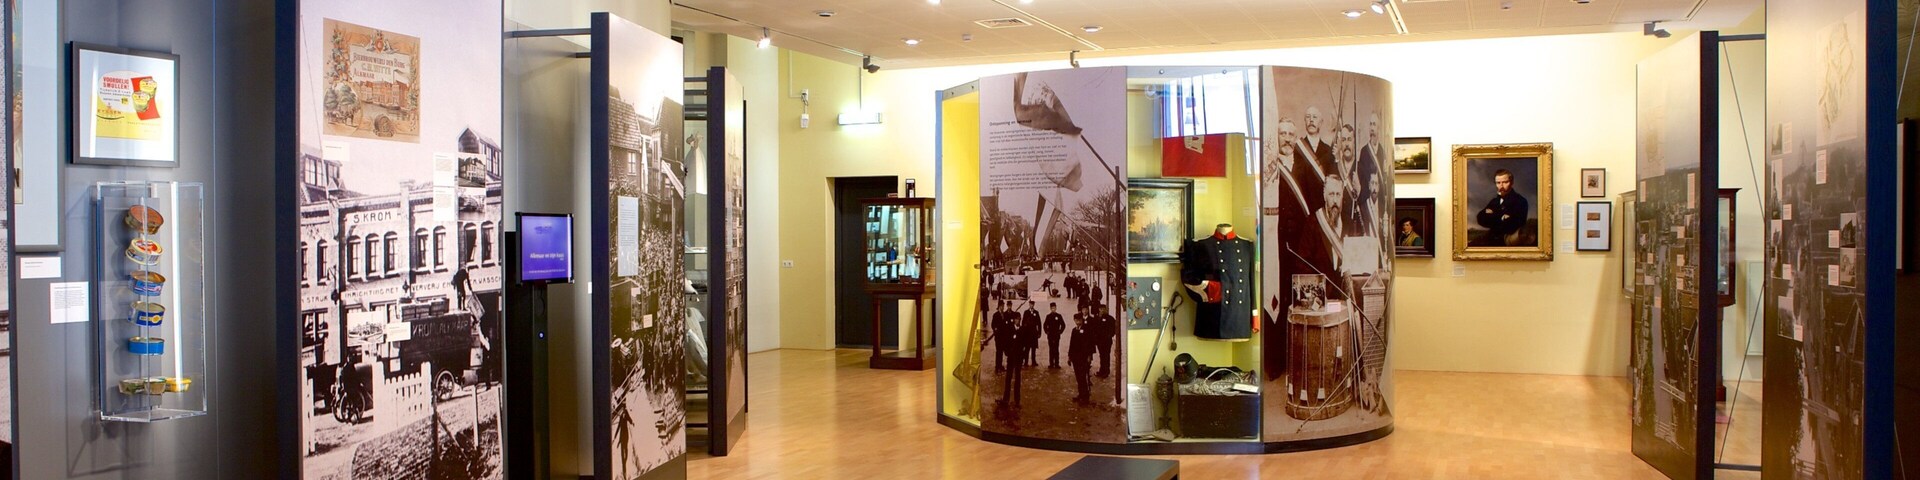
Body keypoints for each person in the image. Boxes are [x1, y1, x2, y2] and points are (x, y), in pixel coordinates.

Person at [1474, 169, 1532, 246]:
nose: (1501, 185)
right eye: (1498, 183)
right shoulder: (1494, 201)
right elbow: (1480, 218)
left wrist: (1492, 215)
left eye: (1505, 182)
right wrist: (1501, 217)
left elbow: (1512, 225)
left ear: (1512, 183)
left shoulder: (1521, 201)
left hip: (1509, 241)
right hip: (1490, 238)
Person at [1068, 323, 1094, 404]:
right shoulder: (1074, 330)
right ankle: (1081, 394)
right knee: (1078, 377)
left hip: (1083, 357)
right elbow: (1071, 344)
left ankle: (1085, 396)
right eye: (1075, 320)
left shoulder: (1086, 329)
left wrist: (1089, 356)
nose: (1077, 322)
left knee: (1083, 377)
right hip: (1075, 358)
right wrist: (1070, 356)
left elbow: (1090, 343)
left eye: (1079, 320)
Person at [1092, 304, 1117, 378]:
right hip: (1099, 341)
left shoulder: (1110, 318)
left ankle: (1106, 371)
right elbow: (1094, 328)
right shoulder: (1096, 318)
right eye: (1101, 309)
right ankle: (1102, 370)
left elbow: (1114, 328)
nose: (1102, 310)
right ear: (1099, 309)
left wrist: (1110, 335)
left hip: (1107, 341)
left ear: (1106, 309)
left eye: (1104, 309)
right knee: (1102, 356)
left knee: (1106, 356)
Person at [1020, 302, 1042, 368]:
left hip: (1034, 334)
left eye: (1032, 304)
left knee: (1033, 348)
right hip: (1027, 334)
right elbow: (1023, 323)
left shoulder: (1036, 312)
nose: (1031, 305)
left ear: (1034, 305)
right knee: (1027, 348)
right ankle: (1026, 362)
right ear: (1029, 304)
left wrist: (1039, 332)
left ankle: (1033, 361)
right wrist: (1023, 333)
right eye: (1030, 304)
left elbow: (1039, 323)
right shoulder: (1026, 312)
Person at [1044, 302, 1066, 368]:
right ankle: (1051, 363)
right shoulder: (1048, 316)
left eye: (1054, 308)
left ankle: (1057, 363)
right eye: (1052, 308)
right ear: (1050, 308)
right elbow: (1045, 325)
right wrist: (1046, 331)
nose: (1053, 309)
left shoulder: (1059, 316)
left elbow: (1063, 324)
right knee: (1051, 349)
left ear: (1056, 308)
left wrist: (1060, 331)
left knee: (1056, 349)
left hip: (1056, 335)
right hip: (1050, 335)